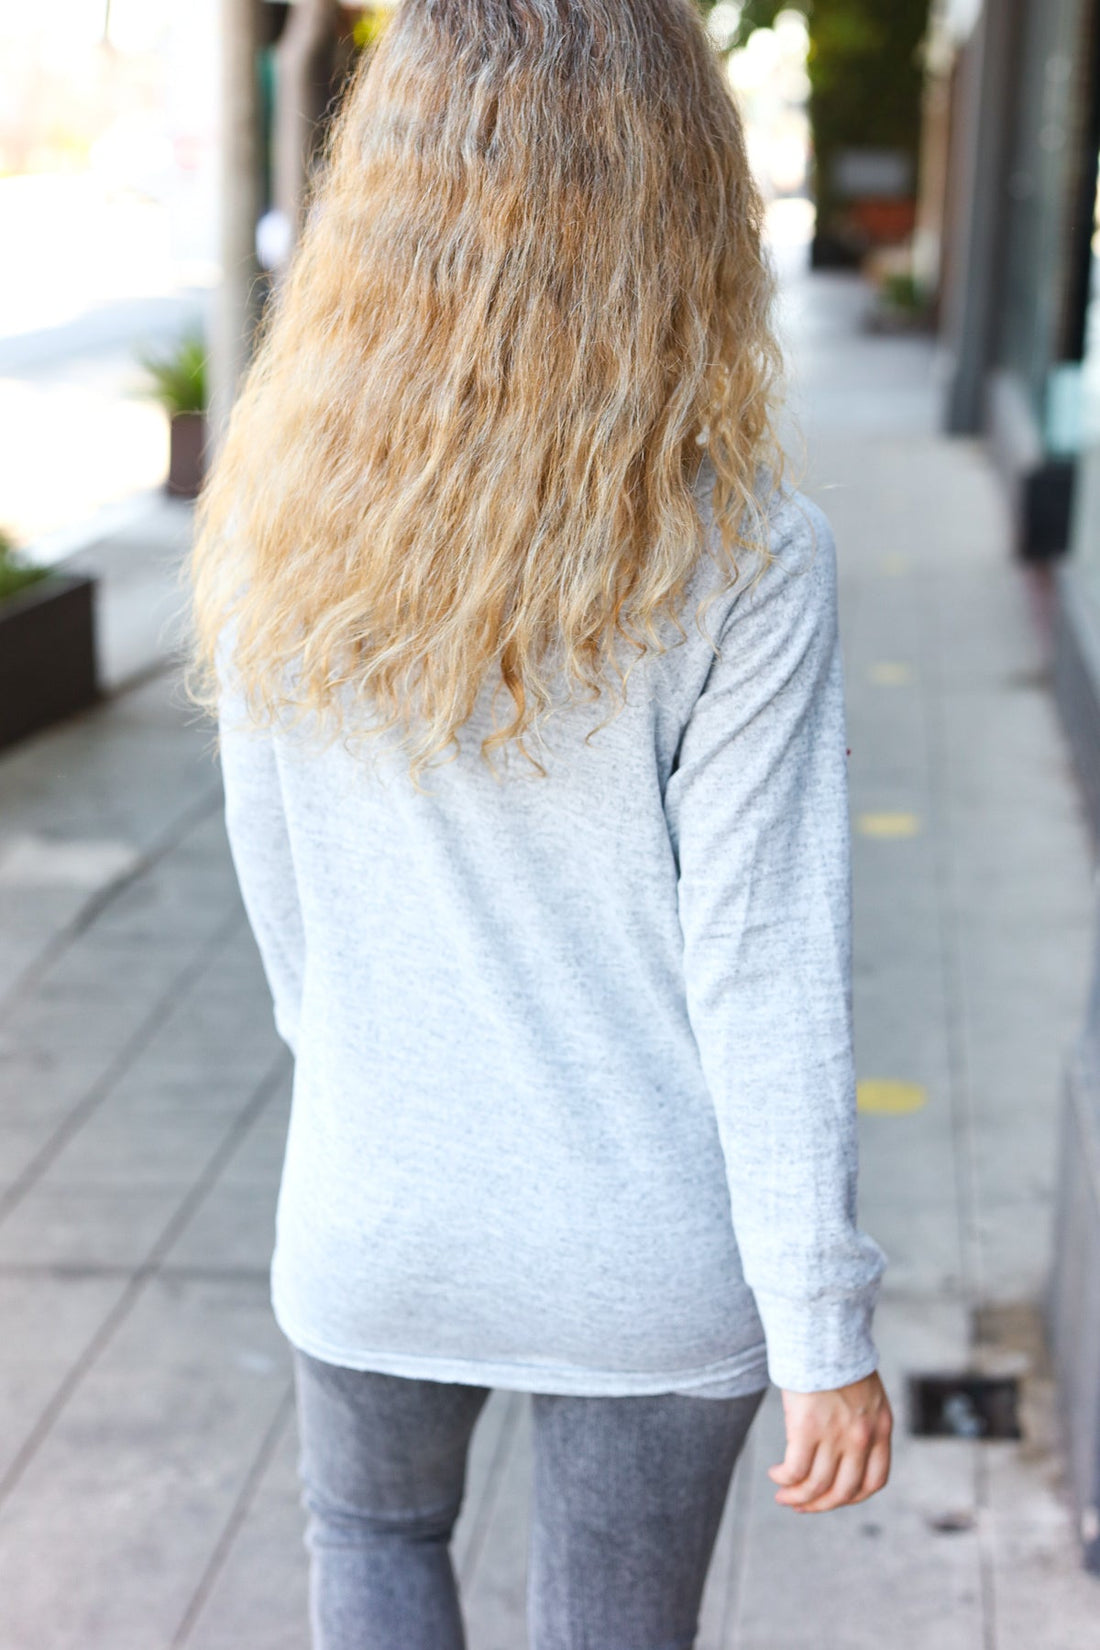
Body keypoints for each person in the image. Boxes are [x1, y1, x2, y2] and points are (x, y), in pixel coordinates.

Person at [188, 1, 892, 1645]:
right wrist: (823, 1322)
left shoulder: (284, 509)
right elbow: (762, 960)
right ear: (684, 205)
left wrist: (378, 1080)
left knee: (368, 1541)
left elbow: (277, 883)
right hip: (646, 1253)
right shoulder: (748, 559)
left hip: (373, 1214)